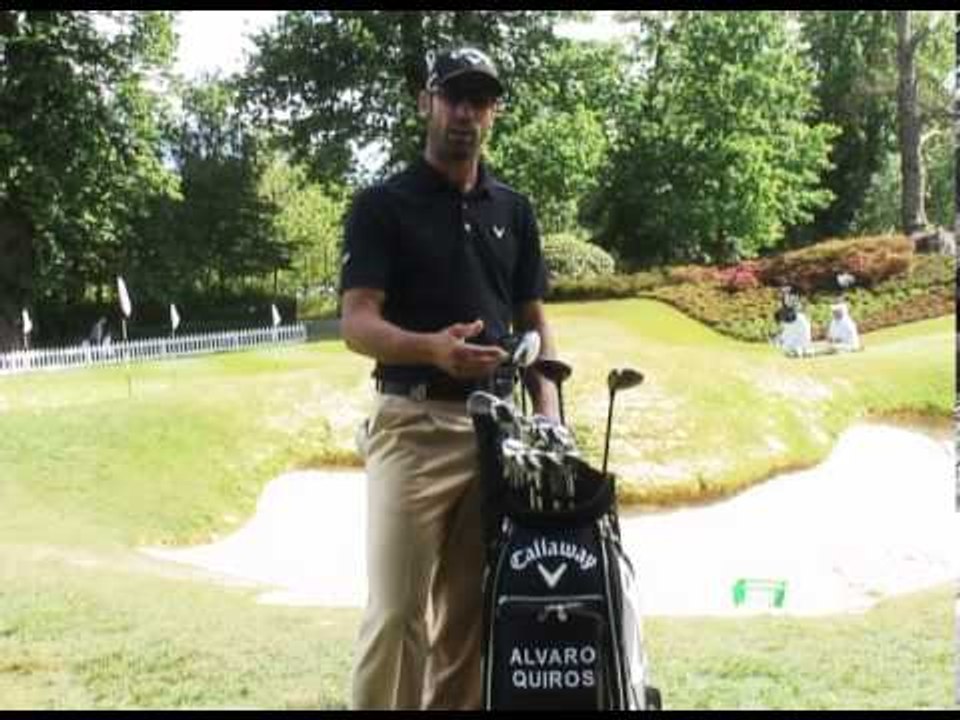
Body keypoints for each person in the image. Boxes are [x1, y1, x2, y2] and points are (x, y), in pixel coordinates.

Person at [338, 46, 560, 710]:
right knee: (397, 614)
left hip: (495, 431)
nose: (466, 112)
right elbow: (356, 322)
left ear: (492, 113)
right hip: (412, 424)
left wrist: (548, 409)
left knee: (467, 620)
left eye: (480, 100)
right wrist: (431, 350)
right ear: (426, 102)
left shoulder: (513, 209)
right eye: (453, 97)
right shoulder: (384, 205)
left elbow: (533, 319)